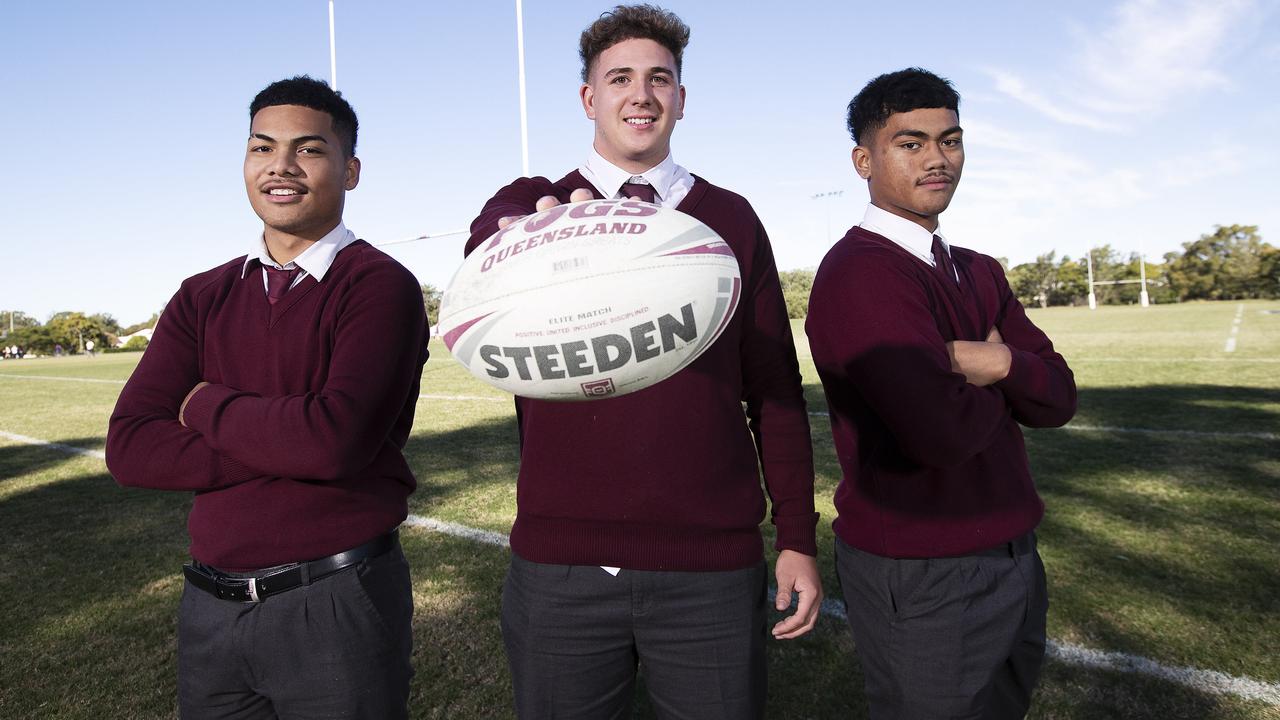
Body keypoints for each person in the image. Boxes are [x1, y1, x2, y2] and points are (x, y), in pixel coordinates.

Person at [466, 5, 821, 718]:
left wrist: (798, 539)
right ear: (589, 98)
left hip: (709, 568)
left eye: (660, 78)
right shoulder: (526, 208)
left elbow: (775, 391)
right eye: (620, 78)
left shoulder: (730, 216)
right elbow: (484, 258)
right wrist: (529, 238)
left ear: (681, 99)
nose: (642, 94)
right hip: (560, 565)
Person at [105, 75, 429, 719]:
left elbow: (335, 440)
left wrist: (201, 406)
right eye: (262, 148)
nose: (281, 166)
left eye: (308, 149)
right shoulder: (202, 294)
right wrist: (291, 440)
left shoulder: (379, 285)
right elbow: (130, 446)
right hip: (209, 607)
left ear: (350, 169)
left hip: (333, 599)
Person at [806, 68, 1078, 719]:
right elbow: (940, 435)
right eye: (911, 142)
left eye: (950, 140)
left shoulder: (978, 270)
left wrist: (999, 361)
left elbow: (1060, 398)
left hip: (1015, 551)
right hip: (924, 569)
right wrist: (1012, 379)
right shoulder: (859, 274)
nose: (937, 158)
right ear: (864, 159)